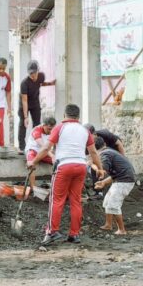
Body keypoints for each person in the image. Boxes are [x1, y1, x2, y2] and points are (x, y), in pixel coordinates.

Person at [28, 104, 105, 245]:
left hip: (64, 166)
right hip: (80, 166)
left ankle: (52, 232)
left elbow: (46, 147)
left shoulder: (59, 128)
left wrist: (34, 161)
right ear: (78, 117)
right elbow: (93, 152)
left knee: (56, 200)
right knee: (76, 201)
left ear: (64, 115)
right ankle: (74, 235)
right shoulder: (85, 131)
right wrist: (100, 168)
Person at [93, 137, 137, 235]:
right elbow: (117, 174)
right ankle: (108, 225)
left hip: (124, 181)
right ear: (104, 144)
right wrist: (104, 182)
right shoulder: (110, 151)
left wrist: (92, 164)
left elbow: (103, 170)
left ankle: (122, 230)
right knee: (107, 201)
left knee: (113, 204)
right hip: (122, 179)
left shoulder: (105, 154)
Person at [18, 60, 45, 152]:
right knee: (23, 124)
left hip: (35, 103)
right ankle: (22, 147)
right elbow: (24, 101)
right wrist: (26, 117)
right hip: (24, 103)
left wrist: (50, 84)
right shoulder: (24, 83)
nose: (32, 75)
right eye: (30, 74)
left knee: (37, 124)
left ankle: (35, 145)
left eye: (34, 73)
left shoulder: (41, 76)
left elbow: (41, 83)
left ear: (38, 71)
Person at [24, 117, 57, 188]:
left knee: (58, 163)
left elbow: (55, 144)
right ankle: (33, 188)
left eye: (52, 129)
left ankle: (56, 186)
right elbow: (43, 146)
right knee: (31, 165)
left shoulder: (54, 130)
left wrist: (54, 154)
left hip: (45, 152)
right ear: (43, 125)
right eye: (49, 129)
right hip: (33, 150)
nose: (51, 131)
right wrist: (52, 155)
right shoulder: (36, 130)